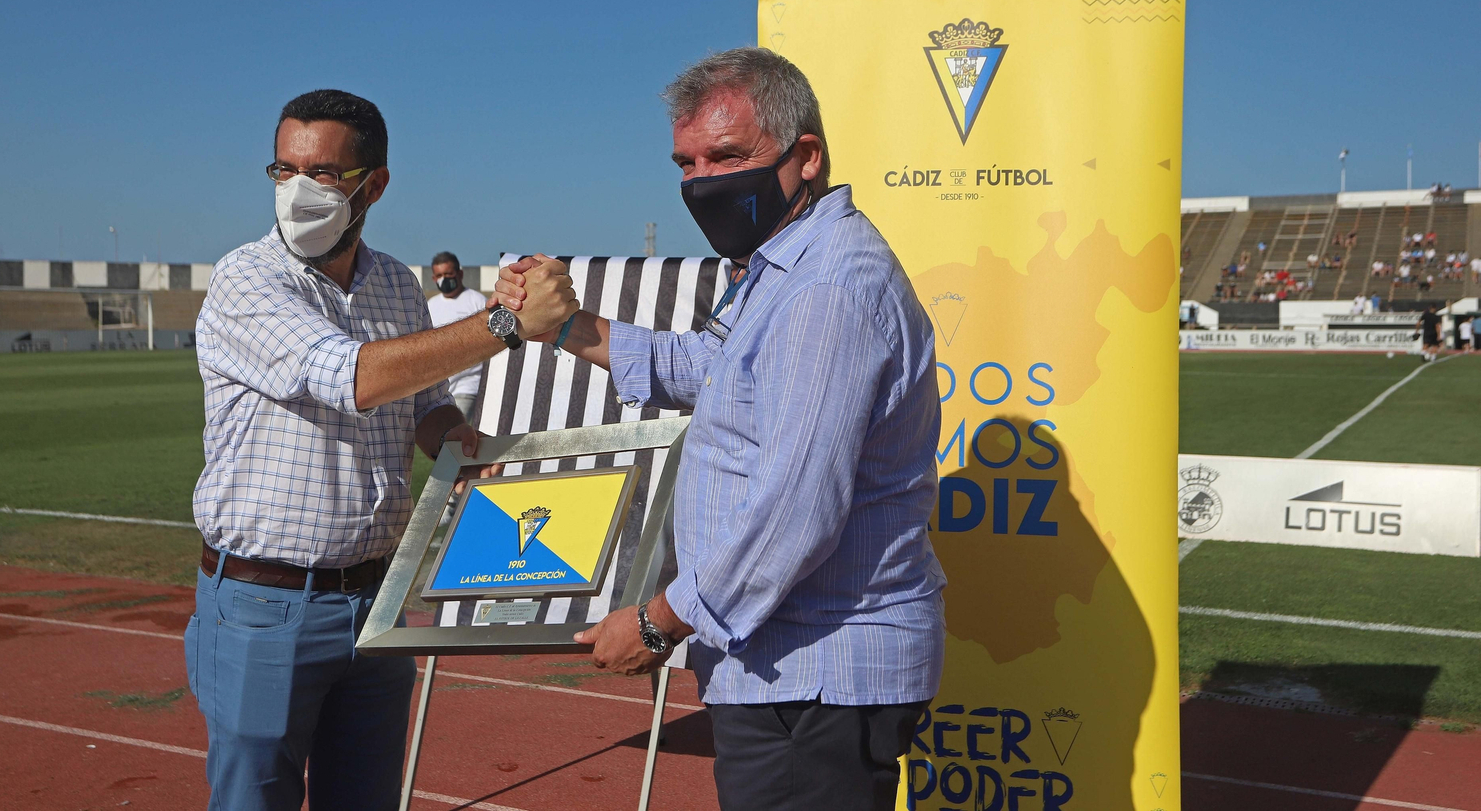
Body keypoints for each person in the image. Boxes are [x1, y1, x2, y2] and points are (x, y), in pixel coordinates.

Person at [495, 48, 947, 811]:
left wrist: (658, 621)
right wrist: (566, 325)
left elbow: (793, 513)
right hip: (791, 670)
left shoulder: (826, 289)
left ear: (805, 156)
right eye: (687, 162)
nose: (701, 181)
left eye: (727, 155)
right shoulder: (778, 267)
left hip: (815, 677)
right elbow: (707, 365)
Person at [188, 89, 577, 811]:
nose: (299, 190)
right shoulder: (247, 277)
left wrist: (454, 438)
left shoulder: (396, 283)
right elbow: (355, 377)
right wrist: (505, 321)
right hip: (268, 603)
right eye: (284, 169)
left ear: (376, 184)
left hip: (375, 602)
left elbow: (418, 402)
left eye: (325, 173)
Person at [424, 251, 489, 422]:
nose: (443, 279)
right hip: (438, 389)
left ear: (459, 274)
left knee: (455, 435)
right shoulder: (431, 305)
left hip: (469, 386)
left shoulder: (477, 301)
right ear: (433, 279)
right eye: (439, 275)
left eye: (448, 274)